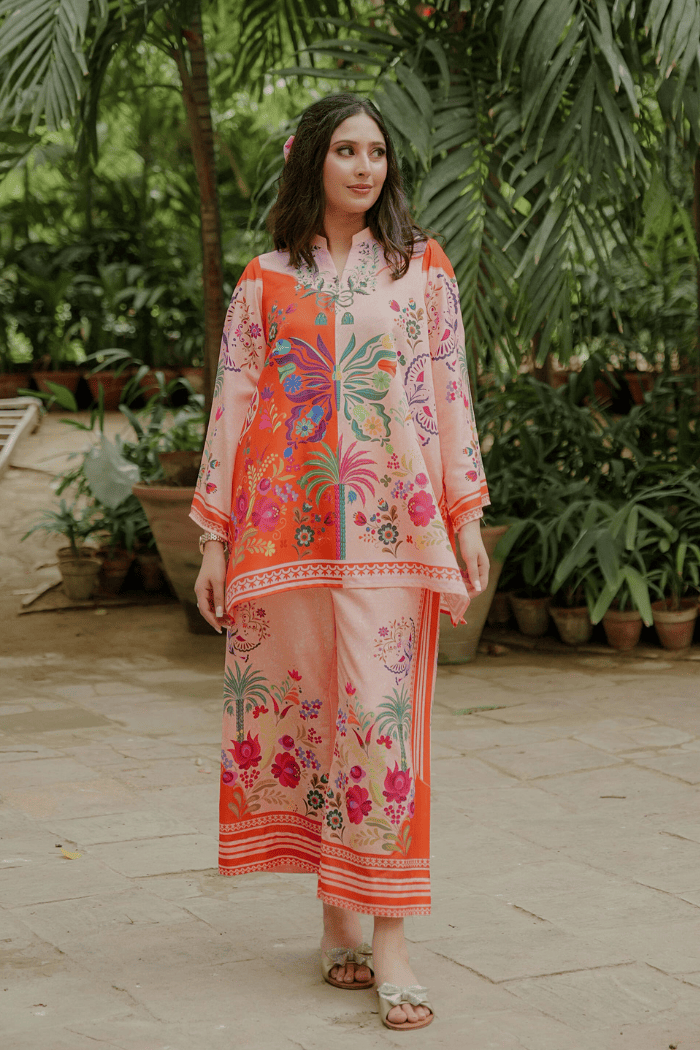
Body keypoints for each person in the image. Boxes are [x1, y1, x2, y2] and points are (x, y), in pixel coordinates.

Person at [192, 92, 490, 1032]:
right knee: (314, 716)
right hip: (284, 537)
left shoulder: (421, 270)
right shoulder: (264, 280)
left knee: (382, 728)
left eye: (378, 152)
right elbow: (234, 406)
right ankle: (337, 922)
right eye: (348, 150)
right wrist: (213, 539)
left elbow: (448, 391)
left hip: (397, 532)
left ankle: (391, 942)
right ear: (311, 159)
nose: (366, 167)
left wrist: (466, 515)